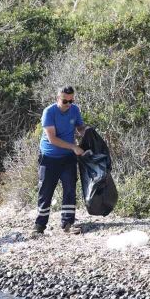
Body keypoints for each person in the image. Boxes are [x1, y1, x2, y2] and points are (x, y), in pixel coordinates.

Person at [34, 86, 87, 234]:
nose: (68, 104)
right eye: (65, 101)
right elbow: (52, 139)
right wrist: (73, 147)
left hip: (67, 157)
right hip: (49, 158)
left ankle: (68, 223)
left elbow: (79, 126)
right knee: (45, 191)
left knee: (70, 189)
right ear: (58, 99)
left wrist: (85, 131)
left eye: (71, 101)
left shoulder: (74, 110)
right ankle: (39, 225)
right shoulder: (49, 112)